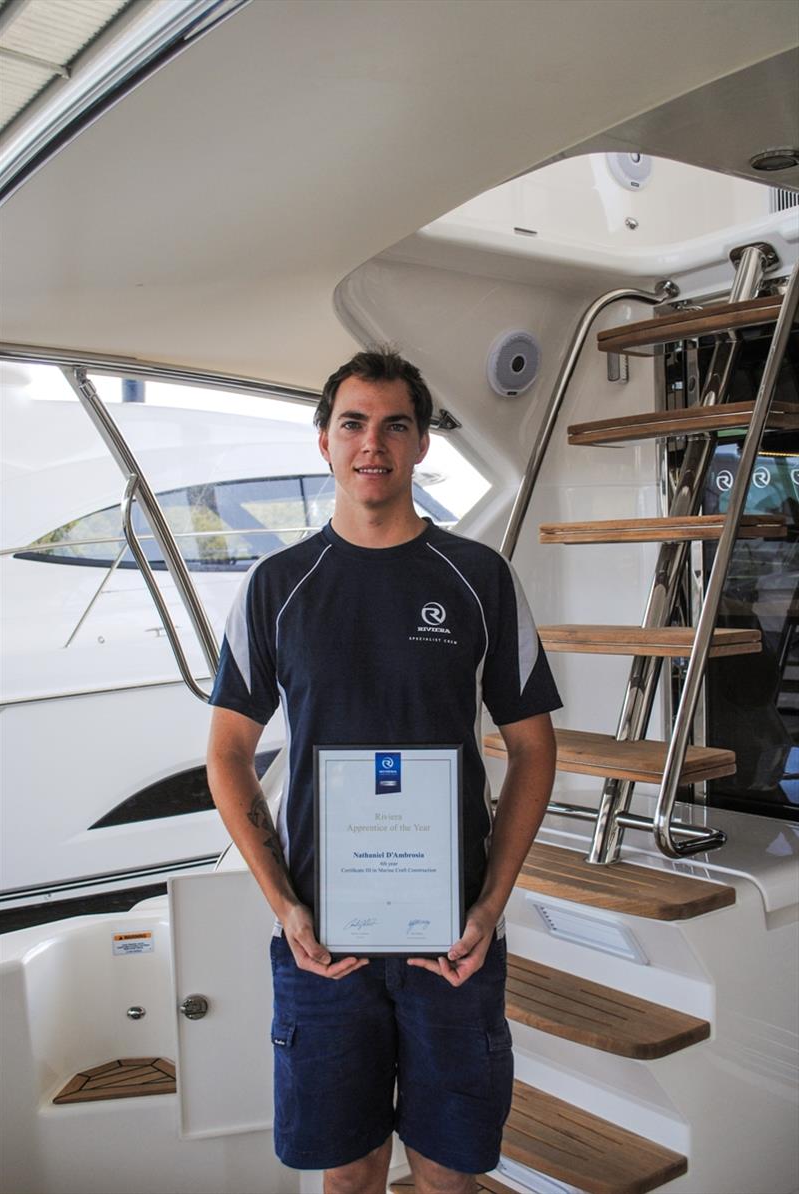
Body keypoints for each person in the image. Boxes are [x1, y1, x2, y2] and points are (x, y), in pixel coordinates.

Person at [207, 347, 561, 1194]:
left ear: (422, 443)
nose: (374, 443)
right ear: (324, 440)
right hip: (324, 945)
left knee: (451, 1173)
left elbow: (535, 749)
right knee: (352, 1173)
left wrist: (489, 905)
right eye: (354, 423)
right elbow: (226, 755)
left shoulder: (479, 579)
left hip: (454, 947)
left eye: (395, 425)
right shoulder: (276, 586)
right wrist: (286, 907)